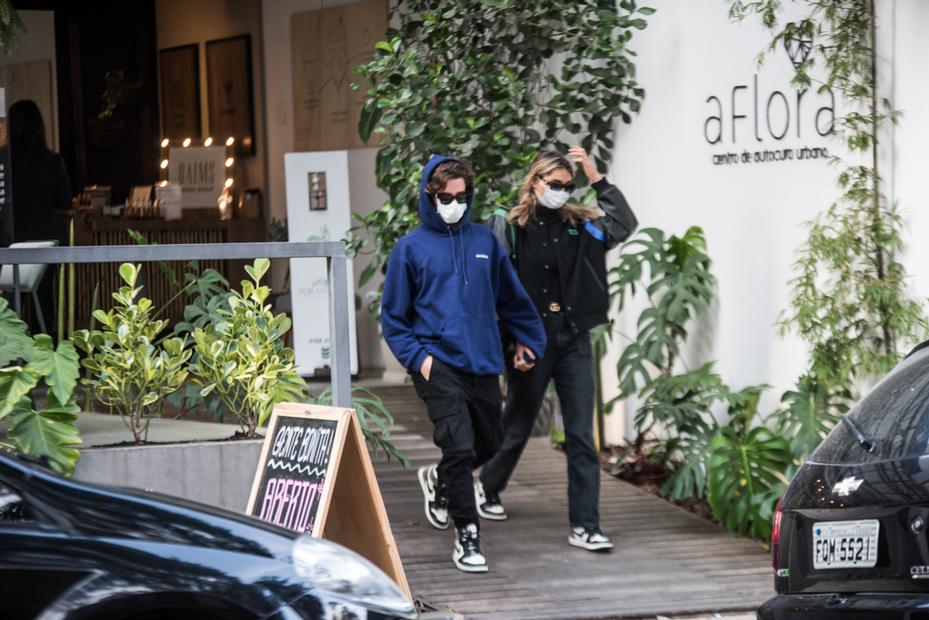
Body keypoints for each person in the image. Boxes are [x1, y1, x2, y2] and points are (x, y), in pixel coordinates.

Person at [381, 155, 546, 573]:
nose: (455, 202)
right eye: (446, 196)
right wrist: (422, 362)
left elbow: (511, 298)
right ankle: (468, 534)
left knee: (488, 444)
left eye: (462, 196)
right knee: (458, 444)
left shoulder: (485, 243)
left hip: (483, 359)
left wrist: (529, 339)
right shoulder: (409, 250)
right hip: (438, 363)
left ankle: (441, 482)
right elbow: (394, 319)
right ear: (429, 196)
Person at [478, 146, 637, 552]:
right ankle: (488, 486)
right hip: (531, 340)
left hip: (573, 340)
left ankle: (586, 526)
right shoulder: (509, 226)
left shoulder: (581, 226)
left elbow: (624, 222)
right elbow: (497, 287)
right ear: (535, 183)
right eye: (555, 185)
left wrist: (596, 177)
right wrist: (512, 341)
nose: (563, 192)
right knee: (517, 425)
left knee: (581, 434)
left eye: (568, 186)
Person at [5, 100, 72, 335]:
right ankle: (44, 351)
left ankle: (14, 358)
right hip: (46, 240)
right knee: (43, 298)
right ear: (39, 127)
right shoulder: (52, 161)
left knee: (12, 301)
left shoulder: (3, 162)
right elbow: (65, 200)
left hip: (11, 240)